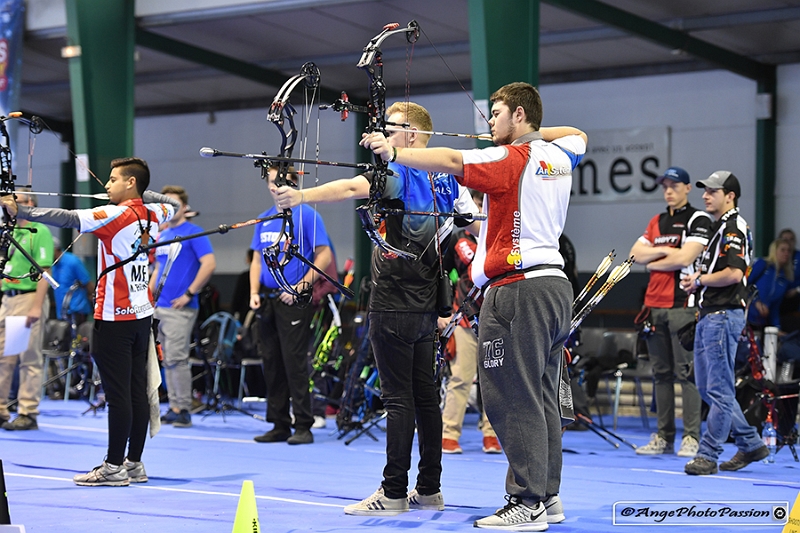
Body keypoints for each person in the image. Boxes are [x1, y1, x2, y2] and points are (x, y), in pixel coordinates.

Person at [361, 84, 586, 531]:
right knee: (541, 396)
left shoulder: (510, 159)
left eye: (497, 114)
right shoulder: (560, 155)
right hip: (555, 288)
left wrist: (395, 152)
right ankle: (547, 496)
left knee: (512, 397)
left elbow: (449, 160)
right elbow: (578, 134)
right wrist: (531, 133)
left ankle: (526, 501)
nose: (489, 122)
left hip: (518, 290)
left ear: (518, 115)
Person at [273, 101, 479, 516]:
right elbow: (470, 219)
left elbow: (353, 188)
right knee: (425, 398)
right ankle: (430, 489)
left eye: (393, 128)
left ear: (413, 135)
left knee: (398, 399)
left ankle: (393, 491)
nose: (385, 134)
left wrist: (300, 196)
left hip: (394, 302)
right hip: (426, 304)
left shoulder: (400, 172)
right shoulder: (449, 180)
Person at [2, 157, 178, 486]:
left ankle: (113, 467)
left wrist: (21, 210)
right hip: (140, 317)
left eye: (113, 179)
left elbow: (67, 217)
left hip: (113, 318)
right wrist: (143, 193)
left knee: (119, 395)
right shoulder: (155, 213)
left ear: (131, 183)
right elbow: (174, 204)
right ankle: (134, 463)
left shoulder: (115, 215)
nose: (107, 185)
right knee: (136, 391)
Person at [680, 170, 769, 475]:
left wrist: (699, 280)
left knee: (718, 390)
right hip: (711, 314)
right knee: (709, 389)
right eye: (705, 191)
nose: (705, 196)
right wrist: (698, 281)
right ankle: (751, 443)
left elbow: (733, 274)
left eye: (713, 191)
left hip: (722, 315)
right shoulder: (720, 227)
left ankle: (708, 455)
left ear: (730, 196)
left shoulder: (733, 227)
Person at [628, 166, 711, 458]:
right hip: (653, 307)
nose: (668, 191)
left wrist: (654, 259)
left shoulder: (698, 219)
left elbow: (686, 257)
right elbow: (635, 254)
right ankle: (664, 437)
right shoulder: (657, 221)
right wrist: (667, 254)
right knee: (661, 375)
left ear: (687, 188)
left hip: (682, 306)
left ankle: (691, 437)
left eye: (674, 185)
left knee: (687, 374)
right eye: (665, 186)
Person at [250, 165, 333, 446]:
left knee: (294, 362)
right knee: (271, 362)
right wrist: (254, 291)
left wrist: (300, 287)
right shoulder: (264, 218)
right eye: (271, 182)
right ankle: (279, 424)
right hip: (268, 300)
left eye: (280, 181)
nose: (275, 187)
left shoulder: (307, 214)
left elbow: (324, 255)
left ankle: (303, 425)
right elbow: (256, 259)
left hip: (293, 299)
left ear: (293, 182)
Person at [439, 189, 501, 455]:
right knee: (461, 378)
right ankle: (449, 432)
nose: (480, 209)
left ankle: (492, 434)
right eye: (476, 204)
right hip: (464, 317)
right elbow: (443, 275)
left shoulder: (500, 237)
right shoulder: (457, 239)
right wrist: (442, 313)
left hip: (496, 319)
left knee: (496, 381)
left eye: (484, 204)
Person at [150, 185, 216, 429]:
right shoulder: (163, 234)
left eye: (175, 204)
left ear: (185, 207)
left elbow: (209, 263)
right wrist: (149, 296)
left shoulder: (193, 232)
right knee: (167, 359)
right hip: (160, 306)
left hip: (180, 308)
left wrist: (189, 293)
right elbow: (158, 267)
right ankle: (175, 406)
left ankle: (184, 408)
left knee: (177, 358)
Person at [0, 190, 53, 431]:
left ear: (29, 203)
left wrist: (36, 306)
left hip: (28, 298)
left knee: (28, 358)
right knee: (4, 357)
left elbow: (44, 272)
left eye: (15, 201)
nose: (8, 206)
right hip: (8, 299)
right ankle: (1, 409)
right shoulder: (9, 232)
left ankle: (28, 411)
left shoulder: (38, 231)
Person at [747, 238, 794, 330]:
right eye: (783, 250)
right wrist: (756, 301)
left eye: (789, 251)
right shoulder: (763, 265)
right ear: (774, 251)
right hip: (746, 316)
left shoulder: (785, 279)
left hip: (761, 322)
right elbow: (745, 284)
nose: (786, 253)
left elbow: (775, 307)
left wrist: (777, 327)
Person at [51, 237, 94, 324]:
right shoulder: (52, 265)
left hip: (77, 310)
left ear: (55, 249)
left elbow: (88, 283)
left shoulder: (73, 261)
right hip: (61, 311)